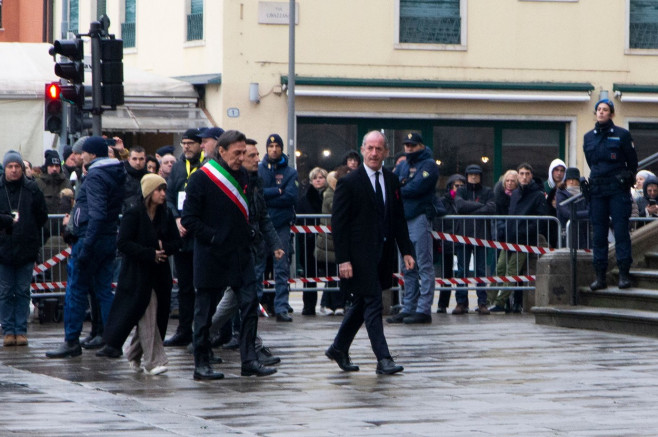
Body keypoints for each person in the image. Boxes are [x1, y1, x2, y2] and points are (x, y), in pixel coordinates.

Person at [182, 130, 276, 380]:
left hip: (240, 254)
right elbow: (189, 219)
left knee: (249, 307)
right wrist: (213, 236)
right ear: (221, 152)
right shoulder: (202, 178)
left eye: (244, 152)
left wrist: (250, 235)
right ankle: (201, 363)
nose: (242, 157)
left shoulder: (244, 176)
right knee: (204, 313)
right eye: (237, 153)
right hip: (211, 253)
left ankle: (249, 360)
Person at [325, 130, 414, 375]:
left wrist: (406, 250)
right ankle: (383, 358)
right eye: (370, 148)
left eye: (379, 149)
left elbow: (397, 219)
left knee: (364, 303)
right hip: (358, 256)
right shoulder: (349, 182)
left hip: (382, 254)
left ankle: (339, 347)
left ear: (385, 152)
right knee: (374, 302)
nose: (374, 153)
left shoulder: (391, 179)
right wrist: (343, 259)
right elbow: (339, 225)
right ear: (363, 150)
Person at [46, 136, 126, 358]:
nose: (80, 156)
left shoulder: (95, 177)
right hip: (108, 237)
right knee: (103, 289)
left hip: (90, 239)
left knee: (76, 290)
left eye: (84, 153)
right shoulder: (116, 173)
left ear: (92, 154)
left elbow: (97, 214)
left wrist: (87, 244)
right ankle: (113, 341)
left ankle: (71, 341)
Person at [208, 140, 284, 366]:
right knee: (246, 301)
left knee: (237, 301)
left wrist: (275, 244)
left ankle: (201, 336)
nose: (255, 159)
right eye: (250, 155)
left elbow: (262, 217)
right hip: (237, 251)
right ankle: (251, 347)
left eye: (255, 155)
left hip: (253, 250)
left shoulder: (255, 182)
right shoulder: (235, 182)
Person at [96, 174, 181, 374]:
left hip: (160, 275)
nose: (162, 194)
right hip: (137, 275)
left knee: (155, 317)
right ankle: (154, 361)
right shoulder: (134, 213)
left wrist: (164, 248)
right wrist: (149, 253)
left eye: (164, 190)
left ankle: (133, 353)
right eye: (158, 190)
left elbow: (177, 243)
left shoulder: (165, 214)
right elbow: (123, 243)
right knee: (148, 313)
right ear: (149, 192)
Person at [584, 99, 638, 291]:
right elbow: (592, 162)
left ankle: (624, 274)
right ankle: (600, 276)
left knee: (621, 231)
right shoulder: (588, 137)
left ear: (611, 114)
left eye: (605, 110)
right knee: (599, 235)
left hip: (616, 189)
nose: (601, 113)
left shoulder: (622, 135)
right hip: (598, 189)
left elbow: (632, 163)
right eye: (598, 109)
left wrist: (625, 177)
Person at [387, 132, 439, 324]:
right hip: (403, 218)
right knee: (407, 266)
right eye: (407, 145)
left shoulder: (429, 165)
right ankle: (408, 307)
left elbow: (417, 187)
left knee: (424, 264)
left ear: (421, 146)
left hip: (419, 217)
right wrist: (401, 186)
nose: (409, 148)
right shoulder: (403, 164)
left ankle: (423, 309)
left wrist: (400, 187)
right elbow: (391, 184)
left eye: (412, 145)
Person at [0, 151, 48, 347]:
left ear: (21, 168)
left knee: (22, 291)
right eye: (10, 166)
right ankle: (8, 330)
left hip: (25, 249)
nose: (14, 170)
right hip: (3, 249)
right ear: (5, 168)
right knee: (4, 292)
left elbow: (42, 216)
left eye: (17, 167)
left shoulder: (32, 189)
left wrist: (32, 236)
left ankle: (21, 330)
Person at [163, 128, 204, 347]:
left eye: (191, 143)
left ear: (200, 145)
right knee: (185, 286)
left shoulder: (206, 167)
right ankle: (183, 330)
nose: (186, 146)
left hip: (200, 235)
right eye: (184, 142)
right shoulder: (178, 168)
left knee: (203, 286)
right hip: (182, 235)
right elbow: (169, 198)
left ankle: (203, 331)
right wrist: (177, 220)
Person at [489, 163, 547, 313]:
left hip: (524, 240)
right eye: (521, 173)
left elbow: (541, 219)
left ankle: (500, 302)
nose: (524, 176)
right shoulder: (515, 193)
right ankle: (488, 301)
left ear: (531, 176)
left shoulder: (538, 194)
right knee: (500, 268)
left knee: (512, 271)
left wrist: (525, 230)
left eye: (527, 173)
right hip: (510, 238)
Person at [257, 133, 299, 322]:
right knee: (257, 268)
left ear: (281, 149)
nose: (274, 149)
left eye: (277, 146)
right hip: (261, 225)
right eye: (271, 146)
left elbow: (290, 197)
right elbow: (257, 195)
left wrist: (269, 197)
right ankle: (256, 305)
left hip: (281, 225)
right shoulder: (258, 170)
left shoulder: (290, 172)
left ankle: (281, 307)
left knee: (281, 269)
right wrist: (276, 191)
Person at [453, 164, 495, 315]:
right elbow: (459, 205)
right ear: (467, 176)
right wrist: (479, 206)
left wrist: (471, 208)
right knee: (462, 270)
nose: (474, 177)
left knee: (481, 270)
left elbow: (491, 208)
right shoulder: (461, 190)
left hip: (481, 235)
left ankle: (482, 302)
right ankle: (461, 302)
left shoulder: (487, 191)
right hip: (463, 235)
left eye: (477, 175)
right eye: (471, 175)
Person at [315, 165, 352, 316]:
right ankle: (331, 304)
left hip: (339, 238)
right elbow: (333, 206)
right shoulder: (331, 192)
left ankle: (337, 304)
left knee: (341, 274)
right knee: (332, 274)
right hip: (329, 239)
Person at [297, 167, 328, 316]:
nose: (318, 180)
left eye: (321, 177)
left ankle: (332, 303)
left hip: (328, 241)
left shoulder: (331, 195)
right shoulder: (305, 197)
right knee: (309, 274)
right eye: (315, 178)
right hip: (309, 241)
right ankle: (308, 306)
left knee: (331, 271)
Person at [434, 174, 465, 313]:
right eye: (456, 185)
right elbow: (440, 221)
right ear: (450, 186)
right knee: (446, 274)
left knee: (462, 273)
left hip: (462, 239)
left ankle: (462, 303)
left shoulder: (464, 199)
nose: (459, 188)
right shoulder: (444, 200)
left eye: (461, 186)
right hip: (447, 239)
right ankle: (442, 304)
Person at [556, 167, 590, 249]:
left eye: (574, 179)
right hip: (567, 234)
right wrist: (588, 213)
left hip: (583, 234)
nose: (571, 182)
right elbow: (567, 213)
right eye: (569, 179)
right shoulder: (561, 193)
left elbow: (590, 206)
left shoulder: (584, 193)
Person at [123, 146, 148, 212]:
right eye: (134, 159)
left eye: (141, 159)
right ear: (128, 159)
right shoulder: (121, 176)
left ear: (145, 159)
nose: (138, 162)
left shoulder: (150, 177)